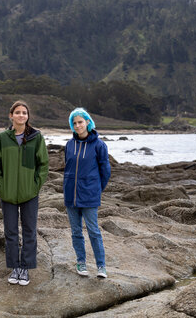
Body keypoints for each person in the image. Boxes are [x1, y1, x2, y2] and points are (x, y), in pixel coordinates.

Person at [0, 100, 49, 286]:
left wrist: (35, 185)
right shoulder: (2, 138)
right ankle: (14, 266)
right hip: (7, 194)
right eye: (17, 112)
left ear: (27, 116)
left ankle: (25, 267)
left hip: (29, 193)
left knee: (30, 231)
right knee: (10, 231)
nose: (21, 115)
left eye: (24, 112)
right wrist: (0, 185)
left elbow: (43, 164)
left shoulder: (36, 137)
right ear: (11, 115)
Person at [63, 108, 111, 278]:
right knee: (76, 232)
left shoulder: (99, 145)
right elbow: (67, 168)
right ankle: (81, 262)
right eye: (74, 123)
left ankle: (101, 266)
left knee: (93, 231)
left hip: (90, 196)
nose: (77, 125)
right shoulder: (69, 145)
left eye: (80, 122)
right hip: (71, 196)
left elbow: (105, 171)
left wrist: (96, 189)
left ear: (88, 122)